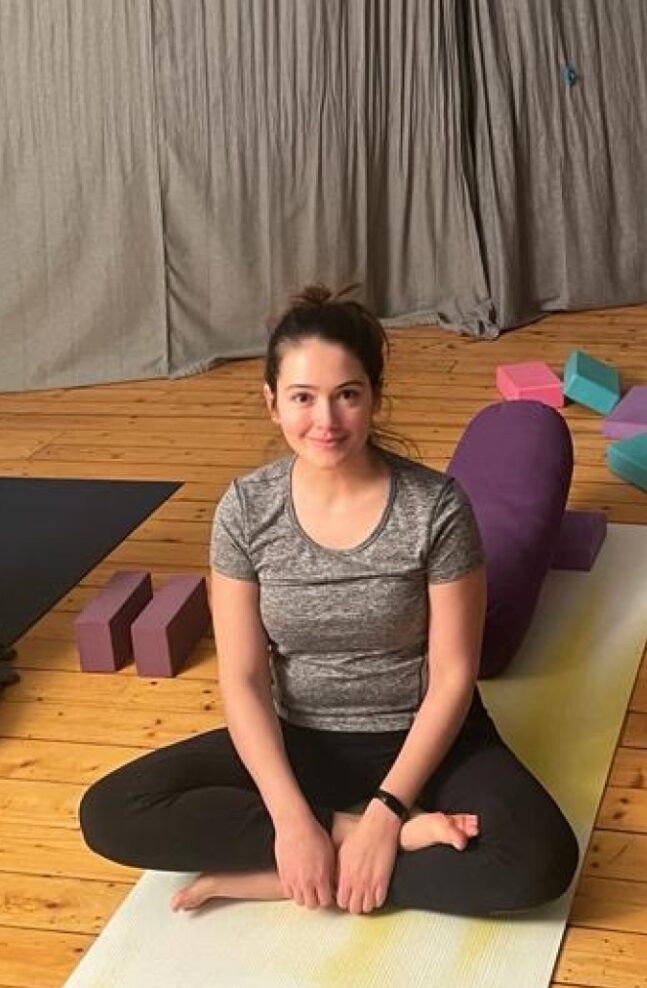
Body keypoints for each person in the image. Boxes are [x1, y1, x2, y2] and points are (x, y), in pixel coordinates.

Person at [78, 288, 578, 916]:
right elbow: (242, 677)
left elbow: (453, 676)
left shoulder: (436, 507)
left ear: (373, 395)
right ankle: (340, 841)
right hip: (300, 739)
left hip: (422, 738)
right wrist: (294, 820)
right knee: (111, 813)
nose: (327, 420)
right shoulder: (245, 510)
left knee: (541, 860)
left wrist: (388, 811)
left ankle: (285, 877)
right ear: (272, 402)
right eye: (303, 397)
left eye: (347, 394)